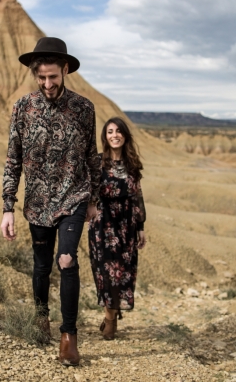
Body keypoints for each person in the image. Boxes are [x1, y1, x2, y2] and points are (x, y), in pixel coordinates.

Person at [0, 37, 100, 366]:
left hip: (73, 196)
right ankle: (40, 318)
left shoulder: (84, 108)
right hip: (37, 203)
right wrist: (7, 208)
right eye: (41, 77)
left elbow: (91, 157)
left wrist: (93, 200)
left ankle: (68, 336)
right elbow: (12, 160)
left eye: (53, 77)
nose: (47, 83)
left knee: (67, 260)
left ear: (65, 70)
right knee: (42, 267)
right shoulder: (22, 108)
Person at [88, 117, 146, 340]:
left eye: (118, 131)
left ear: (125, 135)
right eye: (110, 131)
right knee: (107, 274)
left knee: (122, 273)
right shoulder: (97, 162)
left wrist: (141, 226)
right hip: (102, 225)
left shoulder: (132, 164)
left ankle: (111, 313)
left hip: (127, 226)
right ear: (105, 136)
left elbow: (138, 195)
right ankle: (111, 318)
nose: (114, 135)